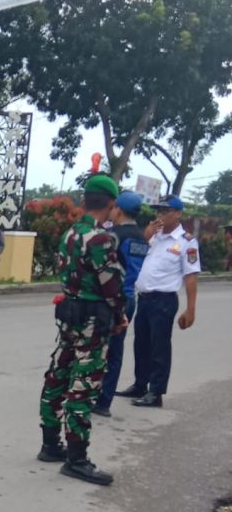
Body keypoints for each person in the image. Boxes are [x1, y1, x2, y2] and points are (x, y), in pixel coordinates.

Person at [37, 173, 126, 486]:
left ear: (85, 200)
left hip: (70, 316)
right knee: (83, 386)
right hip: (92, 322)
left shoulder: (70, 234)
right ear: (112, 204)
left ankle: (50, 444)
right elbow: (112, 286)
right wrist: (121, 315)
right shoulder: (100, 239)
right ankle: (76, 459)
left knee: (57, 376)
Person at [115, 195, 200, 408]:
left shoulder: (186, 242)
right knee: (140, 344)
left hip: (163, 300)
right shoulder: (154, 236)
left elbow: (191, 277)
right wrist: (146, 235)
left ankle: (156, 392)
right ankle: (140, 384)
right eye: (157, 211)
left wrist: (191, 309)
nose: (159, 215)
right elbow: (137, 258)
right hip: (144, 298)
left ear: (178, 213)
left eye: (165, 211)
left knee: (159, 347)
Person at [92, 190, 149, 417]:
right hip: (130, 298)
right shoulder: (142, 238)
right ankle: (104, 401)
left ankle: (90, 395)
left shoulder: (114, 236)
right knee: (116, 350)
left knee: (97, 349)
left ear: (118, 209)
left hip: (110, 299)